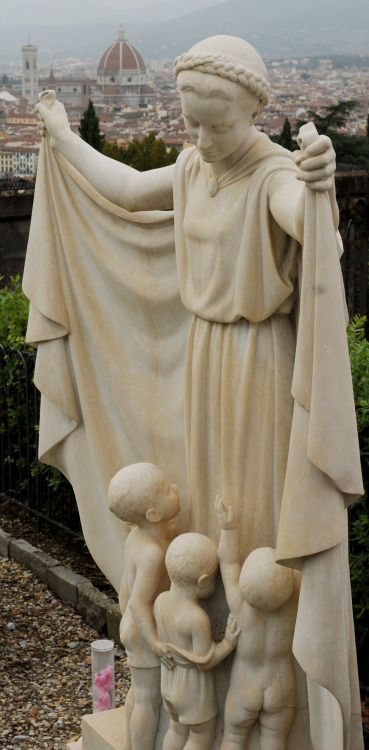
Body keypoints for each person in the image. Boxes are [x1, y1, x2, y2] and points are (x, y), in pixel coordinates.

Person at [33, 34, 363, 749]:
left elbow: (308, 228)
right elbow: (121, 187)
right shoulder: (190, 168)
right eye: (193, 124)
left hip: (259, 370)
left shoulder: (274, 175)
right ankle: (201, 699)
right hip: (205, 361)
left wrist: (318, 186)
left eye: (218, 125)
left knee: (250, 519)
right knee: (206, 512)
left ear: (252, 112)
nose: (204, 138)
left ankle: (253, 697)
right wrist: (61, 136)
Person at [216, 496, 299, 750]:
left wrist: (228, 528)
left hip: (245, 686)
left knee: (233, 737)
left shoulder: (240, 606)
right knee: (275, 739)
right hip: (281, 687)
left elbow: (228, 562)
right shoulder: (293, 605)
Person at [108, 463, 180, 750]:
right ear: (153, 513)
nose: (174, 488)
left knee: (137, 693)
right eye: (167, 490)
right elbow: (139, 601)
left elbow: (126, 591)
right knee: (147, 700)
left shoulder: (138, 534)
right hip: (143, 630)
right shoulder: (152, 552)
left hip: (132, 625)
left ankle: (129, 744)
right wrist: (155, 642)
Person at [154, 532, 240, 750]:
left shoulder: (160, 601)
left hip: (169, 683)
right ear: (203, 581)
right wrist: (228, 643)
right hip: (192, 690)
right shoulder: (196, 618)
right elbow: (205, 662)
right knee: (201, 735)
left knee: (176, 729)